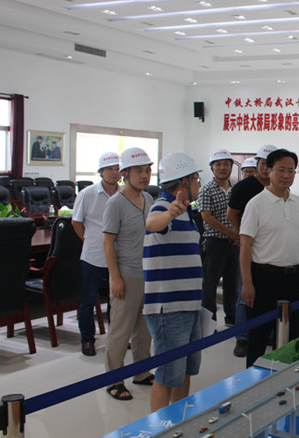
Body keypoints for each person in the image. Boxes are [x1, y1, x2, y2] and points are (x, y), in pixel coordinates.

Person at [240, 148, 299, 367]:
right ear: (268, 171)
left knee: (290, 336)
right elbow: (245, 245)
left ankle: (284, 378)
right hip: (263, 278)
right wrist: (247, 282)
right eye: (281, 170)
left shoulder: (298, 203)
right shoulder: (256, 204)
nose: (286, 175)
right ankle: (254, 381)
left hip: (292, 277)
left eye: (291, 171)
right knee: (258, 337)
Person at [143, 152, 203, 413]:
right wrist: (169, 214)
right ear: (184, 181)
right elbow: (152, 223)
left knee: (185, 371)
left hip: (189, 304)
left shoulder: (186, 210)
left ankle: (179, 421)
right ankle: (158, 428)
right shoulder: (164, 206)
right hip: (170, 308)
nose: (199, 184)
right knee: (167, 376)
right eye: (197, 179)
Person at [102, 147, 155, 401]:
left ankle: (141, 372)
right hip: (127, 274)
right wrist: (115, 277)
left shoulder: (149, 199)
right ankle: (114, 380)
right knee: (120, 331)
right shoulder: (115, 203)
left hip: (148, 273)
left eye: (147, 170)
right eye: (139, 171)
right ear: (125, 174)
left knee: (144, 329)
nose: (145, 176)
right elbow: (107, 243)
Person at [227, 144, 276, 357]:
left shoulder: (278, 187)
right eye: (263, 163)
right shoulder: (243, 187)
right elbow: (231, 214)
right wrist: (242, 235)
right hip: (249, 246)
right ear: (257, 164)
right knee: (244, 292)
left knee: (268, 292)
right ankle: (243, 338)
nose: (265, 168)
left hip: (270, 248)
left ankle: (269, 333)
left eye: (269, 164)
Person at [72, 152, 121, 356]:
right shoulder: (88, 194)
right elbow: (76, 222)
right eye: (109, 169)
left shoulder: (124, 193)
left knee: (116, 300)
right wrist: (89, 239)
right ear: (101, 171)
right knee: (88, 300)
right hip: (93, 255)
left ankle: (116, 338)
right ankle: (87, 340)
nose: (114, 172)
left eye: (117, 169)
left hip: (118, 255)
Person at [198, 148, 239, 326]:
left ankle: (231, 318)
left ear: (231, 167)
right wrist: (231, 233)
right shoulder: (206, 189)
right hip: (215, 243)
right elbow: (207, 217)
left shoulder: (236, 189)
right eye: (218, 164)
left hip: (234, 244)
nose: (222, 167)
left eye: (226, 164)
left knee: (232, 283)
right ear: (212, 167)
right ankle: (210, 323)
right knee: (210, 285)